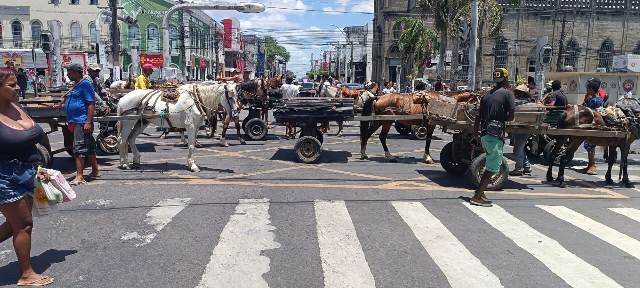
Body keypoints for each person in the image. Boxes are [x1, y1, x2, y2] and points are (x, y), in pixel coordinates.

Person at [0, 69, 55, 286]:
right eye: (11, 86)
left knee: (16, 224)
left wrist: (45, 167)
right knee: (24, 225)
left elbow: (36, 137)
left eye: (16, 84)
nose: (18, 88)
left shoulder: (15, 106)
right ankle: (26, 274)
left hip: (29, 171)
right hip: (5, 176)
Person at [472, 68, 515, 207]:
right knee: (493, 167)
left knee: (490, 163)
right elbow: (511, 116)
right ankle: (477, 196)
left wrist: (475, 131)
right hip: (495, 134)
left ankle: (481, 193)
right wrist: (501, 116)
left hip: (484, 134)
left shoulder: (486, 95)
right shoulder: (508, 93)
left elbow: (478, 116)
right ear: (506, 78)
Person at [63, 63, 100, 185]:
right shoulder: (76, 84)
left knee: (78, 148)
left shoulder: (85, 84)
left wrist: (88, 121)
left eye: (69, 72)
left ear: (76, 72)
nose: (68, 74)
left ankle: (79, 176)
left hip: (81, 121)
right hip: (76, 120)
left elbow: (91, 103)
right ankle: (95, 170)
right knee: (89, 147)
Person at [578, 78, 605, 175]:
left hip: (593, 125)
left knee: (590, 146)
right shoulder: (591, 99)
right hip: (589, 124)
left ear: (592, 90)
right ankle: (590, 164)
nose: (586, 90)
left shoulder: (596, 101)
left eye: (588, 88)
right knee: (588, 146)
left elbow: (591, 113)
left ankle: (593, 165)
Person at [509, 84, 533, 176]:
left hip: (520, 127)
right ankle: (527, 166)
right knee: (520, 147)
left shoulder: (518, 101)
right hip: (525, 127)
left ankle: (518, 169)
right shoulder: (528, 101)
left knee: (517, 148)